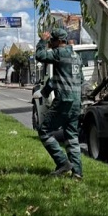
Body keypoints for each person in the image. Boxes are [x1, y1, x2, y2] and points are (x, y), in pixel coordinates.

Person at [35, 28, 84, 179]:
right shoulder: (77, 56)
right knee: (72, 137)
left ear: (58, 41)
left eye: (52, 41)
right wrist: (46, 90)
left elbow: (40, 55)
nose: (51, 44)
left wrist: (42, 40)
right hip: (76, 101)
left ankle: (63, 163)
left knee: (44, 131)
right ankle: (77, 173)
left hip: (64, 100)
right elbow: (75, 79)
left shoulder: (59, 53)